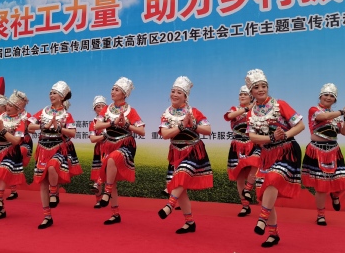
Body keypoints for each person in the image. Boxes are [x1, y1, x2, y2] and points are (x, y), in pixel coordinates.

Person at [245, 69, 305, 248]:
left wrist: (284, 135)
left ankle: (262, 218)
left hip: (287, 151)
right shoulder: (251, 113)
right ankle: (273, 234)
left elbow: (300, 126)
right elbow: (253, 137)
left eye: (264, 86)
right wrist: (271, 138)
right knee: (264, 193)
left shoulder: (280, 105)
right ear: (251, 92)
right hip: (267, 155)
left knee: (272, 179)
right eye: (257, 87)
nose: (261, 89)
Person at [157, 76, 213, 234]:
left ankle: (170, 205)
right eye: (173, 91)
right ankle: (190, 222)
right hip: (176, 153)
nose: (174, 94)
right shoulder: (166, 113)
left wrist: (193, 125)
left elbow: (208, 130)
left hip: (193, 151)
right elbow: (165, 134)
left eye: (179, 92)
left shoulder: (194, 112)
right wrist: (182, 126)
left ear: (185, 96)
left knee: (181, 175)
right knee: (180, 189)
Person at [29, 81, 81, 229]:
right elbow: (29, 126)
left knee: (52, 167)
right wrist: (43, 126)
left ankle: (54, 192)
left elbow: (72, 133)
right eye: (50, 93)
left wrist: (59, 129)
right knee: (43, 183)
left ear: (62, 97)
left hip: (58, 147)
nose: (51, 95)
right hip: (43, 148)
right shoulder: (43, 112)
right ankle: (47, 216)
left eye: (54, 93)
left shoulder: (66, 115)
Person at [94, 77, 145, 225]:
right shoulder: (107, 109)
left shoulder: (131, 111)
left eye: (116, 90)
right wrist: (112, 122)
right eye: (112, 89)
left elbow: (142, 131)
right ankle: (115, 214)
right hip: (109, 144)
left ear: (124, 94)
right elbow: (97, 126)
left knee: (112, 159)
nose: (113, 92)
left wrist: (127, 125)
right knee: (112, 178)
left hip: (126, 144)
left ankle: (107, 191)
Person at [302, 83, 345, 226]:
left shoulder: (337, 116)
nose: (328, 98)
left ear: (335, 99)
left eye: (332, 96)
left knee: (341, 180)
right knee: (321, 186)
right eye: (326, 95)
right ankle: (321, 215)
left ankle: (335, 195)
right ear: (320, 96)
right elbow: (323, 116)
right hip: (317, 151)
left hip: (333, 151)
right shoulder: (314, 110)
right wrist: (342, 111)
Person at [0, 91, 29, 220]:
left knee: (3, 170)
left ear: (18, 108)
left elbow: (16, 141)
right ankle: (1, 210)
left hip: (10, 152)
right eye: (8, 104)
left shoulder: (20, 121)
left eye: (11, 105)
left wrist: (2, 131)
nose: (8, 107)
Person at [225, 85, 260, 217]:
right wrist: (246, 109)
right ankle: (245, 206)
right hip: (237, 145)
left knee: (256, 162)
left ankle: (248, 188)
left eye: (245, 94)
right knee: (239, 177)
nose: (242, 96)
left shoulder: (257, 110)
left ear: (251, 97)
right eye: (241, 94)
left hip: (253, 143)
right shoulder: (235, 109)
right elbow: (229, 116)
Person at [89, 95, 107, 208]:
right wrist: (104, 137)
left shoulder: (110, 119)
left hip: (110, 148)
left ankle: (107, 197)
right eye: (98, 107)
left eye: (102, 106)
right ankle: (98, 200)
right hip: (99, 150)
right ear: (94, 109)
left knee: (108, 173)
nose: (100, 109)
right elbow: (92, 139)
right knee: (97, 172)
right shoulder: (94, 123)